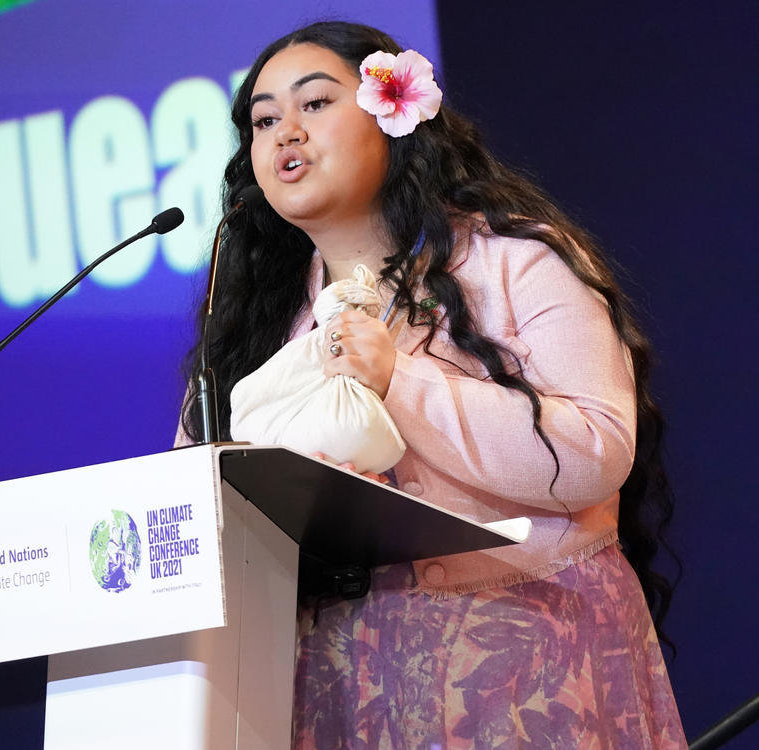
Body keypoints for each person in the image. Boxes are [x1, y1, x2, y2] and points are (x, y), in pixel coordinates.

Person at [179, 20, 686, 748]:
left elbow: (595, 452)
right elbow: (199, 498)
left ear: (394, 118)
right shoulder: (252, 329)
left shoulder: (515, 263)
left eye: (315, 104)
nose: (285, 131)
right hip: (334, 686)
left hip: (524, 667)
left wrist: (399, 380)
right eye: (264, 119)